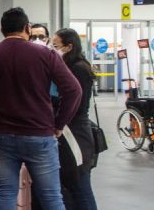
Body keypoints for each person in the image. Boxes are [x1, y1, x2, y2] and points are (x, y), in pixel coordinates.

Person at [0, 8, 82, 210]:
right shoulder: (47, 55)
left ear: (2, 30)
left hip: (1, 135)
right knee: (51, 197)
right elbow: (73, 90)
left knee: (5, 194)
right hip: (40, 135)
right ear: (27, 28)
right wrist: (59, 123)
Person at [52, 28, 98, 210]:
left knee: (79, 184)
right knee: (70, 185)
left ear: (69, 47)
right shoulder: (68, 67)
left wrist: (49, 101)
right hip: (69, 132)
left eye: (55, 46)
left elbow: (75, 103)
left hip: (75, 134)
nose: (52, 49)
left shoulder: (78, 69)